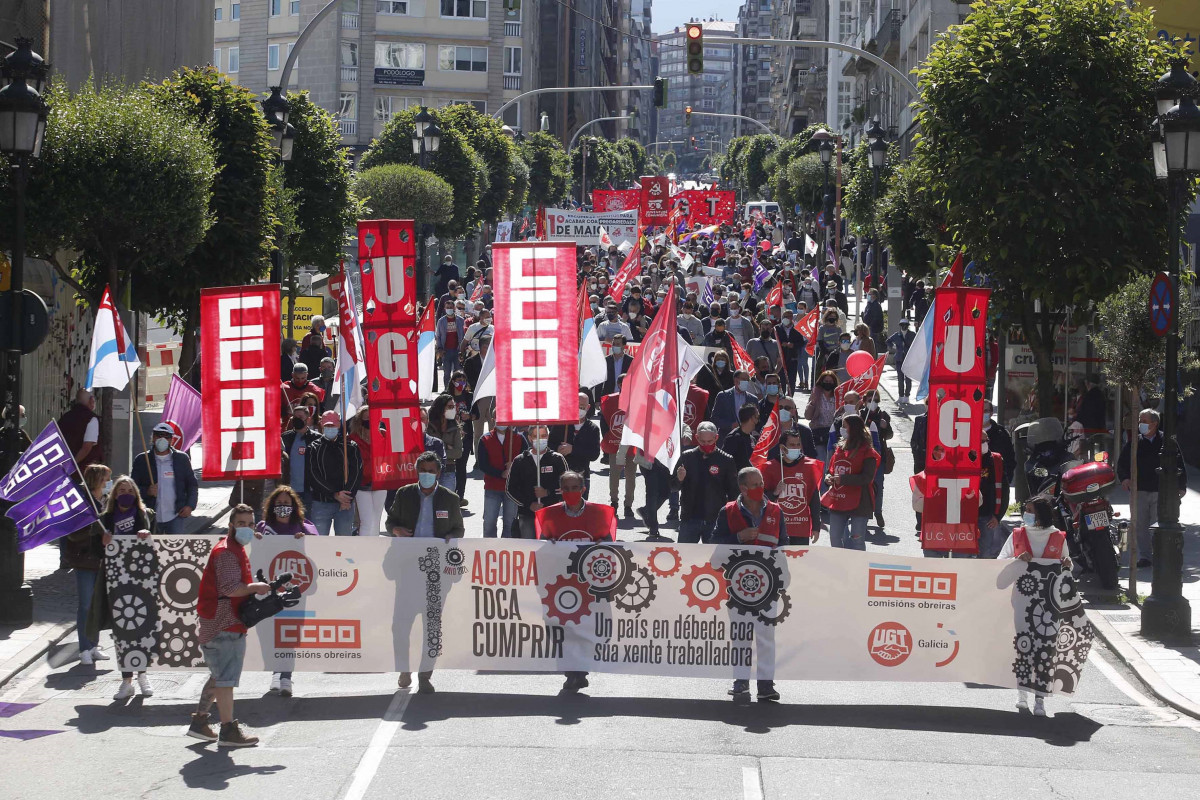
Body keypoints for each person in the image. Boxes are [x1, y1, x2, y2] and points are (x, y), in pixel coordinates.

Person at [190, 505, 274, 746]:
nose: (247, 528)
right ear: (231, 526)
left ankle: (200, 722)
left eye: (251, 523)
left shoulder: (232, 547)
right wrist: (255, 587)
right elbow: (229, 588)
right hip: (223, 623)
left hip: (221, 622)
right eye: (242, 523)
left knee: (219, 676)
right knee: (225, 679)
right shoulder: (227, 552)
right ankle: (228, 730)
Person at [387, 452, 465, 694]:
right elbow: (390, 523)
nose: (427, 474)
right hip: (408, 570)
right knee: (401, 625)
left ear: (438, 473)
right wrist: (396, 529)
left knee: (431, 628)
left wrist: (451, 536)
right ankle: (404, 668)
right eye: (423, 470)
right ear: (417, 471)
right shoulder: (404, 494)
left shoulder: (450, 499)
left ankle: (425, 674)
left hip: (436, 574)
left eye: (432, 471)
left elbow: (459, 529)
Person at [533, 470, 615, 695]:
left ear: (583, 489)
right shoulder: (549, 515)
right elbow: (541, 547)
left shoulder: (598, 514)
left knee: (585, 629)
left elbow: (609, 545)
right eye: (566, 489)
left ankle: (580, 671)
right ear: (561, 490)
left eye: (575, 488)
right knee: (561, 630)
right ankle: (571, 673)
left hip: (589, 585)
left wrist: (601, 545)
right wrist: (548, 543)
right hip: (560, 586)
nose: (571, 493)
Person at [710, 466, 784, 703]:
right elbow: (714, 544)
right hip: (738, 587)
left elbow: (785, 545)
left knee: (765, 638)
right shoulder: (728, 511)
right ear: (742, 488)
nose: (761, 488)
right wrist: (739, 539)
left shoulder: (775, 510)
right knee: (741, 636)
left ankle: (765, 685)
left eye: (761, 482)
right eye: (755, 485)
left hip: (768, 587)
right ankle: (741, 682)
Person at [998, 495, 1072, 717]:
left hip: (1050, 606)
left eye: (1030, 510)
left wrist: (1067, 565)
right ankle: (1022, 695)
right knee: (1024, 647)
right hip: (1022, 603)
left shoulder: (1058, 538)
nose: (1026, 514)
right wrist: (1017, 560)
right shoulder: (1017, 535)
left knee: (1045, 651)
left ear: (1041, 514)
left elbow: (1067, 567)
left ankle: (1040, 699)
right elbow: (999, 562)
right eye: (1025, 509)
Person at [255, 486, 317, 696]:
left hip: (294, 592)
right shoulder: (263, 528)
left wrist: (305, 541)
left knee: (289, 633)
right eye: (279, 504)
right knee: (268, 633)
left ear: (294, 507)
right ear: (272, 507)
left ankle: (286, 677)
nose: (283, 508)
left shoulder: (305, 528)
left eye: (287, 504)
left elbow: (319, 549)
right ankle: (275, 671)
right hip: (269, 591)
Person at [101, 477, 157, 701]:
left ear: (136, 495)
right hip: (116, 583)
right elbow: (97, 550)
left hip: (142, 580)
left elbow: (159, 544)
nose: (125, 493)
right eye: (121, 490)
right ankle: (126, 681)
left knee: (142, 628)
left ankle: (143, 675)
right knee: (123, 631)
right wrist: (102, 541)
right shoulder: (105, 519)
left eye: (130, 490)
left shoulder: (146, 516)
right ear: (115, 494)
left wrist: (148, 535)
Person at [1117, 408, 1187, 568]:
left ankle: (1160, 555)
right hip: (1139, 490)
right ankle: (1145, 557)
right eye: (1140, 421)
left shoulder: (1167, 441)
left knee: (1158, 525)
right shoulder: (1134, 442)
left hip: (1160, 490)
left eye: (1144, 421)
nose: (1140, 424)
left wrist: (1181, 486)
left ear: (1154, 424)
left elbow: (1179, 464)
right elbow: (1122, 463)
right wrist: (1125, 478)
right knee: (1140, 525)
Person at [64, 463, 111, 665]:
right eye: (106, 478)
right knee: (85, 606)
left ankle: (93, 646)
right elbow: (73, 533)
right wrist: (96, 529)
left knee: (98, 605)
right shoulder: (81, 502)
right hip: (85, 560)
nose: (109, 483)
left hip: (103, 561)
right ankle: (83, 648)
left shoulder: (108, 501)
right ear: (98, 480)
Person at [673, 422, 739, 544]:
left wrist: (730, 517)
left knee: (714, 560)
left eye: (710, 441)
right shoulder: (687, 457)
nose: (706, 445)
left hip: (715, 519)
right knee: (684, 557)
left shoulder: (726, 460)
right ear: (697, 437)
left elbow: (733, 492)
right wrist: (679, 479)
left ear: (716, 438)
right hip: (689, 518)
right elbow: (673, 487)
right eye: (703, 441)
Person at [820, 415, 879, 551]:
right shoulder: (839, 449)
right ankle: (841, 567)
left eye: (845, 426)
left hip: (860, 502)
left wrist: (844, 479)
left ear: (854, 428)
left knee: (857, 541)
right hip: (838, 500)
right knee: (835, 538)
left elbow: (867, 478)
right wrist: (828, 478)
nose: (842, 429)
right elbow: (831, 470)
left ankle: (858, 569)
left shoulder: (868, 452)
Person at [131, 422, 198, 535]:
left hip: (176, 515)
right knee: (151, 550)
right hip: (150, 515)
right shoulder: (142, 460)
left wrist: (190, 505)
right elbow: (132, 488)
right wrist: (146, 491)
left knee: (175, 550)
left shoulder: (181, 459)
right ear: (153, 438)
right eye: (158, 435)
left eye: (166, 436)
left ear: (171, 440)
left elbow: (192, 485)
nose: (162, 439)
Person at [761, 431, 824, 544]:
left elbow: (814, 500)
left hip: (800, 528)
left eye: (798, 444)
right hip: (777, 527)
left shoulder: (809, 466)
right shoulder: (769, 468)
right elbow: (761, 500)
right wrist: (775, 492)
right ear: (782, 447)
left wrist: (816, 526)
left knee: (799, 561)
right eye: (792, 445)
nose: (796, 448)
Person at [306, 410, 363, 535]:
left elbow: (357, 473)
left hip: (345, 504)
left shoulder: (350, 446)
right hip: (321, 502)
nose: (330, 428)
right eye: (327, 426)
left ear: (339, 425)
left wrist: (347, 497)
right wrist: (334, 494)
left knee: (343, 544)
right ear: (321, 425)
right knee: (319, 543)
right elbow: (313, 475)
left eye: (333, 425)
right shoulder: (313, 447)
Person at [506, 424, 568, 538]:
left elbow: (567, 487)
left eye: (544, 436)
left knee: (550, 550)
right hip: (527, 515)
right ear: (530, 438)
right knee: (529, 550)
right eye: (536, 436)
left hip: (552, 514)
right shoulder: (520, 460)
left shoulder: (557, 459)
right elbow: (510, 489)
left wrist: (548, 492)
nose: (541, 439)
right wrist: (529, 504)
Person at [477, 418, 526, 538]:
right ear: (493, 419)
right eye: (499, 419)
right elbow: (482, 465)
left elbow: (526, 460)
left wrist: (514, 466)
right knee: (489, 523)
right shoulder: (485, 439)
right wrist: (500, 473)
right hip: (492, 488)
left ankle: (506, 552)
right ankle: (489, 551)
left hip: (512, 490)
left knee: (510, 524)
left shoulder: (519, 438)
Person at [548, 393, 602, 488]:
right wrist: (557, 448)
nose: (579, 409)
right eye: (576, 406)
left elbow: (594, 454)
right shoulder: (561, 424)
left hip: (581, 477)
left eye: (582, 407)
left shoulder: (593, 429)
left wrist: (573, 449)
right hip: (560, 475)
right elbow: (549, 445)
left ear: (588, 407)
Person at [346, 406, 386, 536]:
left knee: (376, 520)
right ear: (360, 420)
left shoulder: (384, 435)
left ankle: (374, 549)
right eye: (367, 418)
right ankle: (365, 548)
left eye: (372, 417)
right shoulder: (352, 439)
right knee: (366, 521)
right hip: (361, 485)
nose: (370, 420)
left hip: (380, 483)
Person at [283, 404, 319, 509]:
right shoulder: (285, 437)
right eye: (295, 417)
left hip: (310, 490)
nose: (297, 420)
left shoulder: (316, 438)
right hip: (290, 489)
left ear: (308, 419)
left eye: (300, 417)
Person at [426, 394, 464, 493]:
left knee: (446, 504)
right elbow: (426, 449)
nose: (453, 410)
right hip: (430, 471)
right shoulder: (429, 426)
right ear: (441, 408)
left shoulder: (455, 426)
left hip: (449, 471)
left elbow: (458, 452)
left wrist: (438, 450)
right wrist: (447, 447)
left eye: (454, 407)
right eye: (450, 407)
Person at [58, 388, 101, 471]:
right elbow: (86, 447)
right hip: (83, 470)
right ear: (91, 401)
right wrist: (72, 464)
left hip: (62, 466)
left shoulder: (65, 417)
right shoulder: (91, 419)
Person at [804, 371, 839, 464]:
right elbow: (807, 416)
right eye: (826, 381)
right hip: (818, 432)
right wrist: (812, 403)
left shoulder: (837, 397)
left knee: (832, 459)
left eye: (830, 381)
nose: (828, 383)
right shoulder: (817, 395)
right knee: (821, 459)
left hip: (833, 432)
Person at [710, 371, 757, 436]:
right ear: (736, 380)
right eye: (743, 379)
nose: (746, 382)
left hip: (746, 437)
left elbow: (757, 419)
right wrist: (731, 425)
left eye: (747, 380)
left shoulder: (753, 399)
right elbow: (714, 418)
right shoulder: (723, 396)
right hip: (726, 437)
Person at [435, 299, 465, 389]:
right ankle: (447, 389)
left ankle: (457, 389)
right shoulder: (441, 321)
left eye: (451, 307)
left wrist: (462, 349)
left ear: (454, 308)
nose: (449, 309)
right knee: (447, 373)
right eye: (447, 308)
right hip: (446, 351)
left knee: (457, 372)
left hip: (457, 350)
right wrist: (440, 348)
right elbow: (438, 336)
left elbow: (463, 335)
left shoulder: (460, 320)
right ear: (444, 308)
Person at [723, 404, 761, 472]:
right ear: (752, 418)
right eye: (757, 417)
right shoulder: (733, 438)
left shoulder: (752, 439)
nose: (758, 420)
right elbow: (725, 462)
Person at [777, 311, 806, 394]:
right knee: (781, 379)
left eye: (789, 316)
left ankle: (790, 397)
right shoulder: (777, 328)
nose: (787, 318)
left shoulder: (797, 329)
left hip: (793, 358)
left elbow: (801, 342)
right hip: (781, 358)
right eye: (785, 316)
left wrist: (793, 345)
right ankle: (782, 397)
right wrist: (781, 344)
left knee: (791, 380)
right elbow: (774, 340)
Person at [885, 320, 915, 401]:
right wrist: (893, 346)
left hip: (909, 359)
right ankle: (900, 396)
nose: (904, 326)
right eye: (902, 324)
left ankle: (907, 396)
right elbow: (888, 341)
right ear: (900, 325)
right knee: (900, 379)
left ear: (908, 325)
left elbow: (917, 344)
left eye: (905, 325)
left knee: (908, 379)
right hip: (899, 359)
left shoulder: (912, 334)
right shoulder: (897, 335)